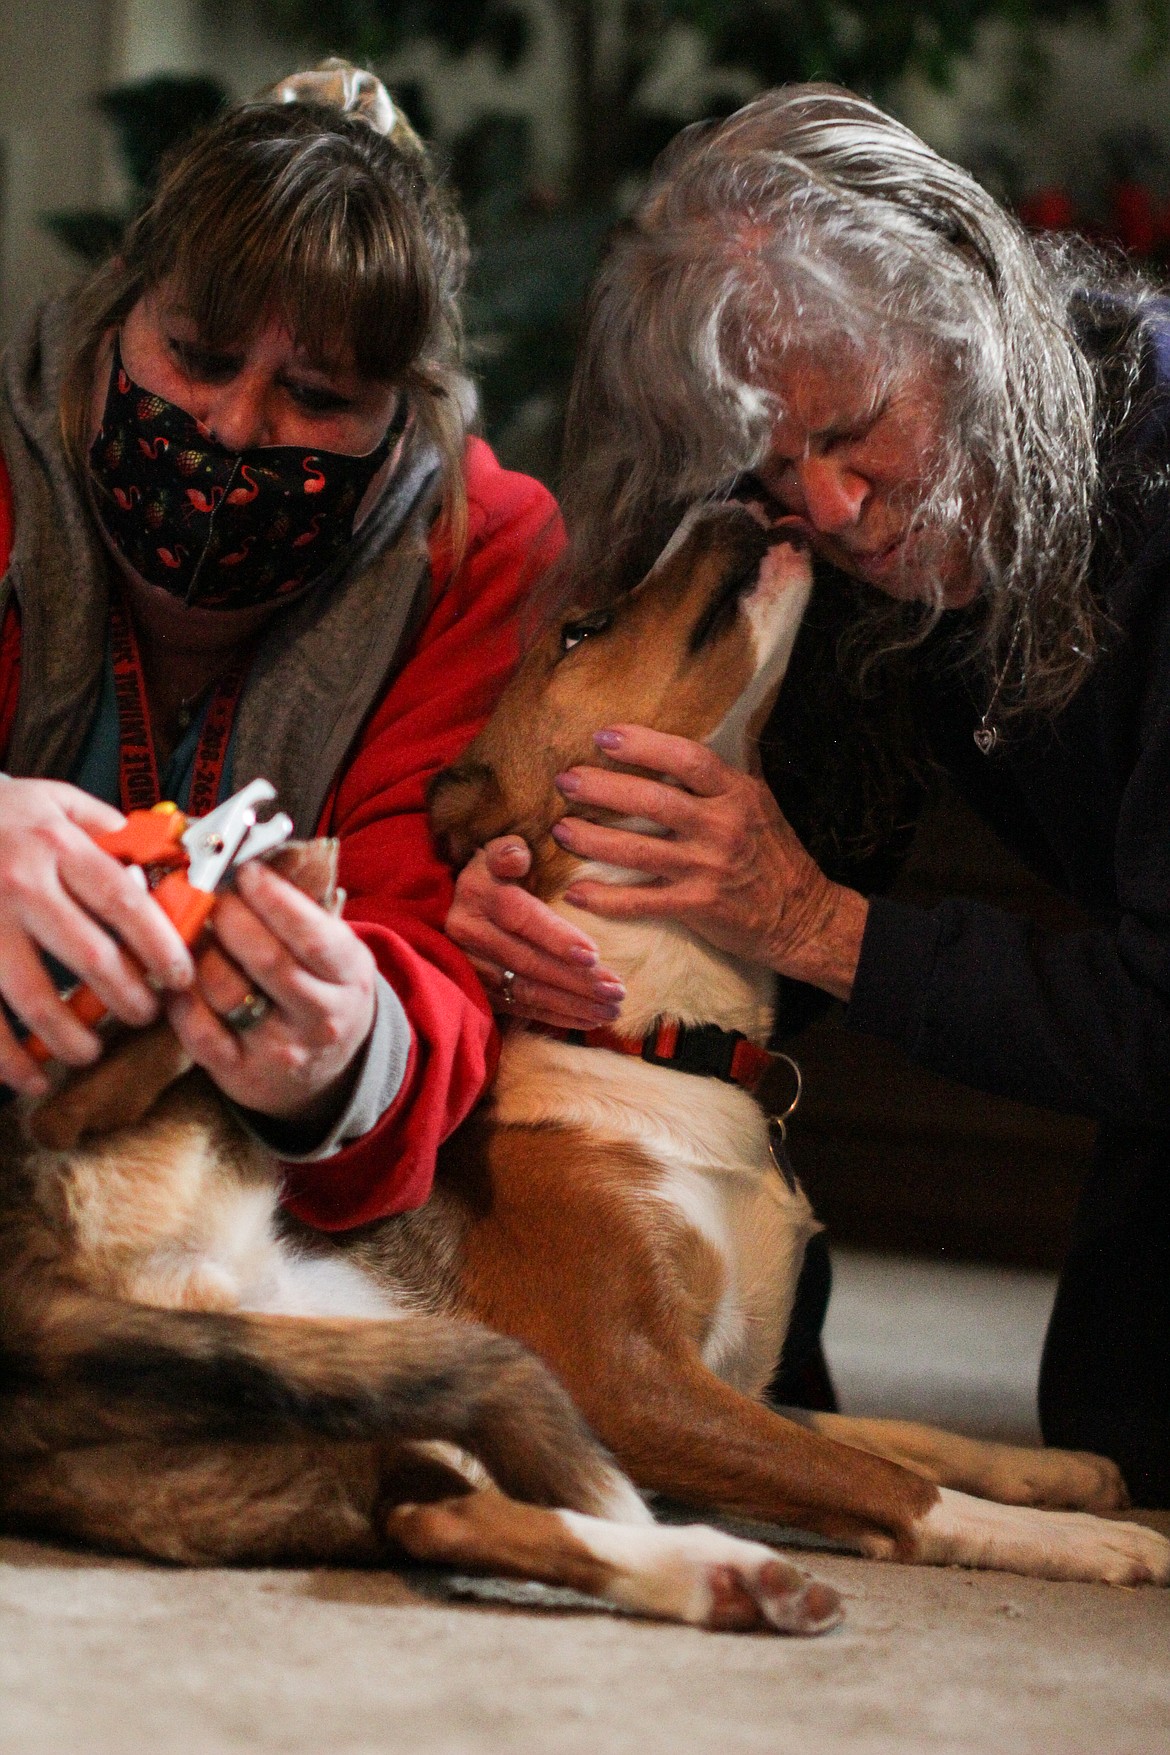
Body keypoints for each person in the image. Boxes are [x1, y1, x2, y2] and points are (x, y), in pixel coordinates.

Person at [446, 85, 1170, 1503]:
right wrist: (543, 897)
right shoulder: (859, 535)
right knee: (1111, 1425)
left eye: (854, 429)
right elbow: (768, 865)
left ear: (974, 325)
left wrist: (816, 919)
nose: (828, 507)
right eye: (776, 459)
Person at [0, 62, 621, 1230]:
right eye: (197, 354)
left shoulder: (480, 554)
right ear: (113, 318)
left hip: (219, 1210)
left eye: (318, 395)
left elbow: (432, 965)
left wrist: (345, 1054)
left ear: (406, 423)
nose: (234, 426)